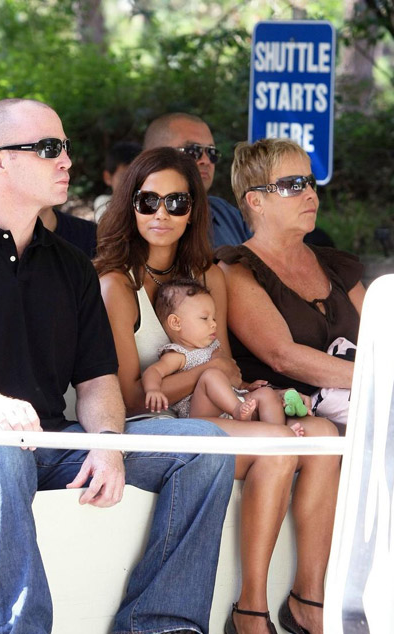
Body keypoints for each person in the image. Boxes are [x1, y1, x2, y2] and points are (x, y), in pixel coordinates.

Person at [0, 98, 236, 634]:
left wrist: (106, 442)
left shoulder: (70, 267)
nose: (66, 160)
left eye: (65, 148)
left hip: (54, 442)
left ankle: (160, 623)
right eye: (47, 149)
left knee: (206, 448)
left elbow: (98, 379)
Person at [95, 145, 341, 634]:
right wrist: (201, 373)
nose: (162, 213)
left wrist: (212, 377)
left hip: (207, 413)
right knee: (279, 446)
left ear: (194, 210)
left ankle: (306, 598)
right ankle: (251, 608)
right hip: (151, 429)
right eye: (148, 201)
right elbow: (130, 398)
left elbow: (226, 360)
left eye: (177, 203)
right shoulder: (115, 285)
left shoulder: (208, 273)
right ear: (130, 205)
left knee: (323, 432)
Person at [217, 138, 366, 438]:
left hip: (357, 413)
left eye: (309, 182)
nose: (310, 194)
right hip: (288, 419)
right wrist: (375, 378)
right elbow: (282, 356)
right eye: (292, 185)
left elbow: (381, 337)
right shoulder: (237, 269)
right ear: (255, 201)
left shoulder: (336, 265)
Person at [142, 278, 304, 435]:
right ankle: (239, 412)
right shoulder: (178, 354)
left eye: (213, 318)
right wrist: (153, 389)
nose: (213, 324)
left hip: (232, 404)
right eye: (204, 318)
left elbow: (230, 381)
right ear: (176, 323)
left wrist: (246, 387)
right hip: (201, 412)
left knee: (266, 394)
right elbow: (153, 371)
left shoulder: (214, 347)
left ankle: (279, 432)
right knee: (211, 374)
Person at [143, 112, 252, 248]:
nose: (205, 161)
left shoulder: (227, 215)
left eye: (211, 152)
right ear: (152, 156)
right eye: (193, 151)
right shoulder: (134, 219)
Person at [94, 140, 142, 221]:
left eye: (138, 177)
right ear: (108, 177)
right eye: (125, 177)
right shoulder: (103, 203)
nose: (132, 183)